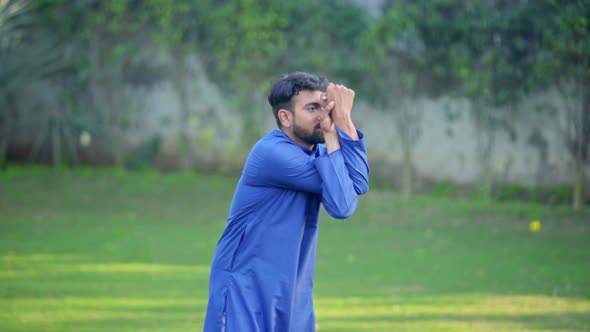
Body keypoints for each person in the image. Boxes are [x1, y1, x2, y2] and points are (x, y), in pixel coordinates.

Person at [203, 72, 369, 331]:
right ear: (285, 117)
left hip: (293, 290)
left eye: (324, 107)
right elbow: (342, 204)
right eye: (312, 108)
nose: (323, 115)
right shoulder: (272, 154)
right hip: (246, 286)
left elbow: (356, 186)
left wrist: (344, 123)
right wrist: (336, 130)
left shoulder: (321, 154)